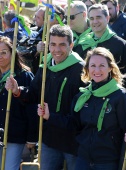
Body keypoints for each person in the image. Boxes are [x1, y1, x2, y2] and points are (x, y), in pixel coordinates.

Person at [37, 47, 126, 170]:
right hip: (83, 160)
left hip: (107, 162)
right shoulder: (83, 95)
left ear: (110, 68)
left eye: (102, 65)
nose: (97, 70)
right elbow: (73, 124)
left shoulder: (119, 96)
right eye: (92, 65)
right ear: (87, 68)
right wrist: (49, 116)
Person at [5, 24, 85, 170]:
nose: (57, 50)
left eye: (62, 45)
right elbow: (33, 95)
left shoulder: (81, 69)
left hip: (74, 139)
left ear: (71, 45)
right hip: (49, 137)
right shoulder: (46, 66)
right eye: (53, 44)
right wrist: (18, 91)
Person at [76, 3, 126, 100]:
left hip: (112, 101)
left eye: (98, 17)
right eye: (91, 18)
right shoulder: (82, 44)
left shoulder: (121, 45)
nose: (95, 21)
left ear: (107, 18)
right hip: (87, 100)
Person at [0, 36, 38, 170]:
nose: (0, 56)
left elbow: (33, 107)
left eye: (4, 52)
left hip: (15, 135)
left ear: (12, 53)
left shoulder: (24, 76)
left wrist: (32, 137)